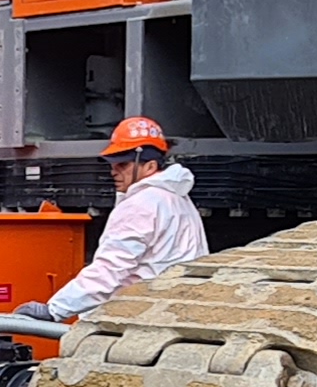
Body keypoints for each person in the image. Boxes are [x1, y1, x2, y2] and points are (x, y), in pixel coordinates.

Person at [16, 117, 208, 323]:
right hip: (173, 311)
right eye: (113, 163)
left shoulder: (141, 204)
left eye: (123, 164)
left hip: (138, 316)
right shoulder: (179, 199)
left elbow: (110, 268)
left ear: (150, 166)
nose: (113, 171)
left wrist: (55, 309)